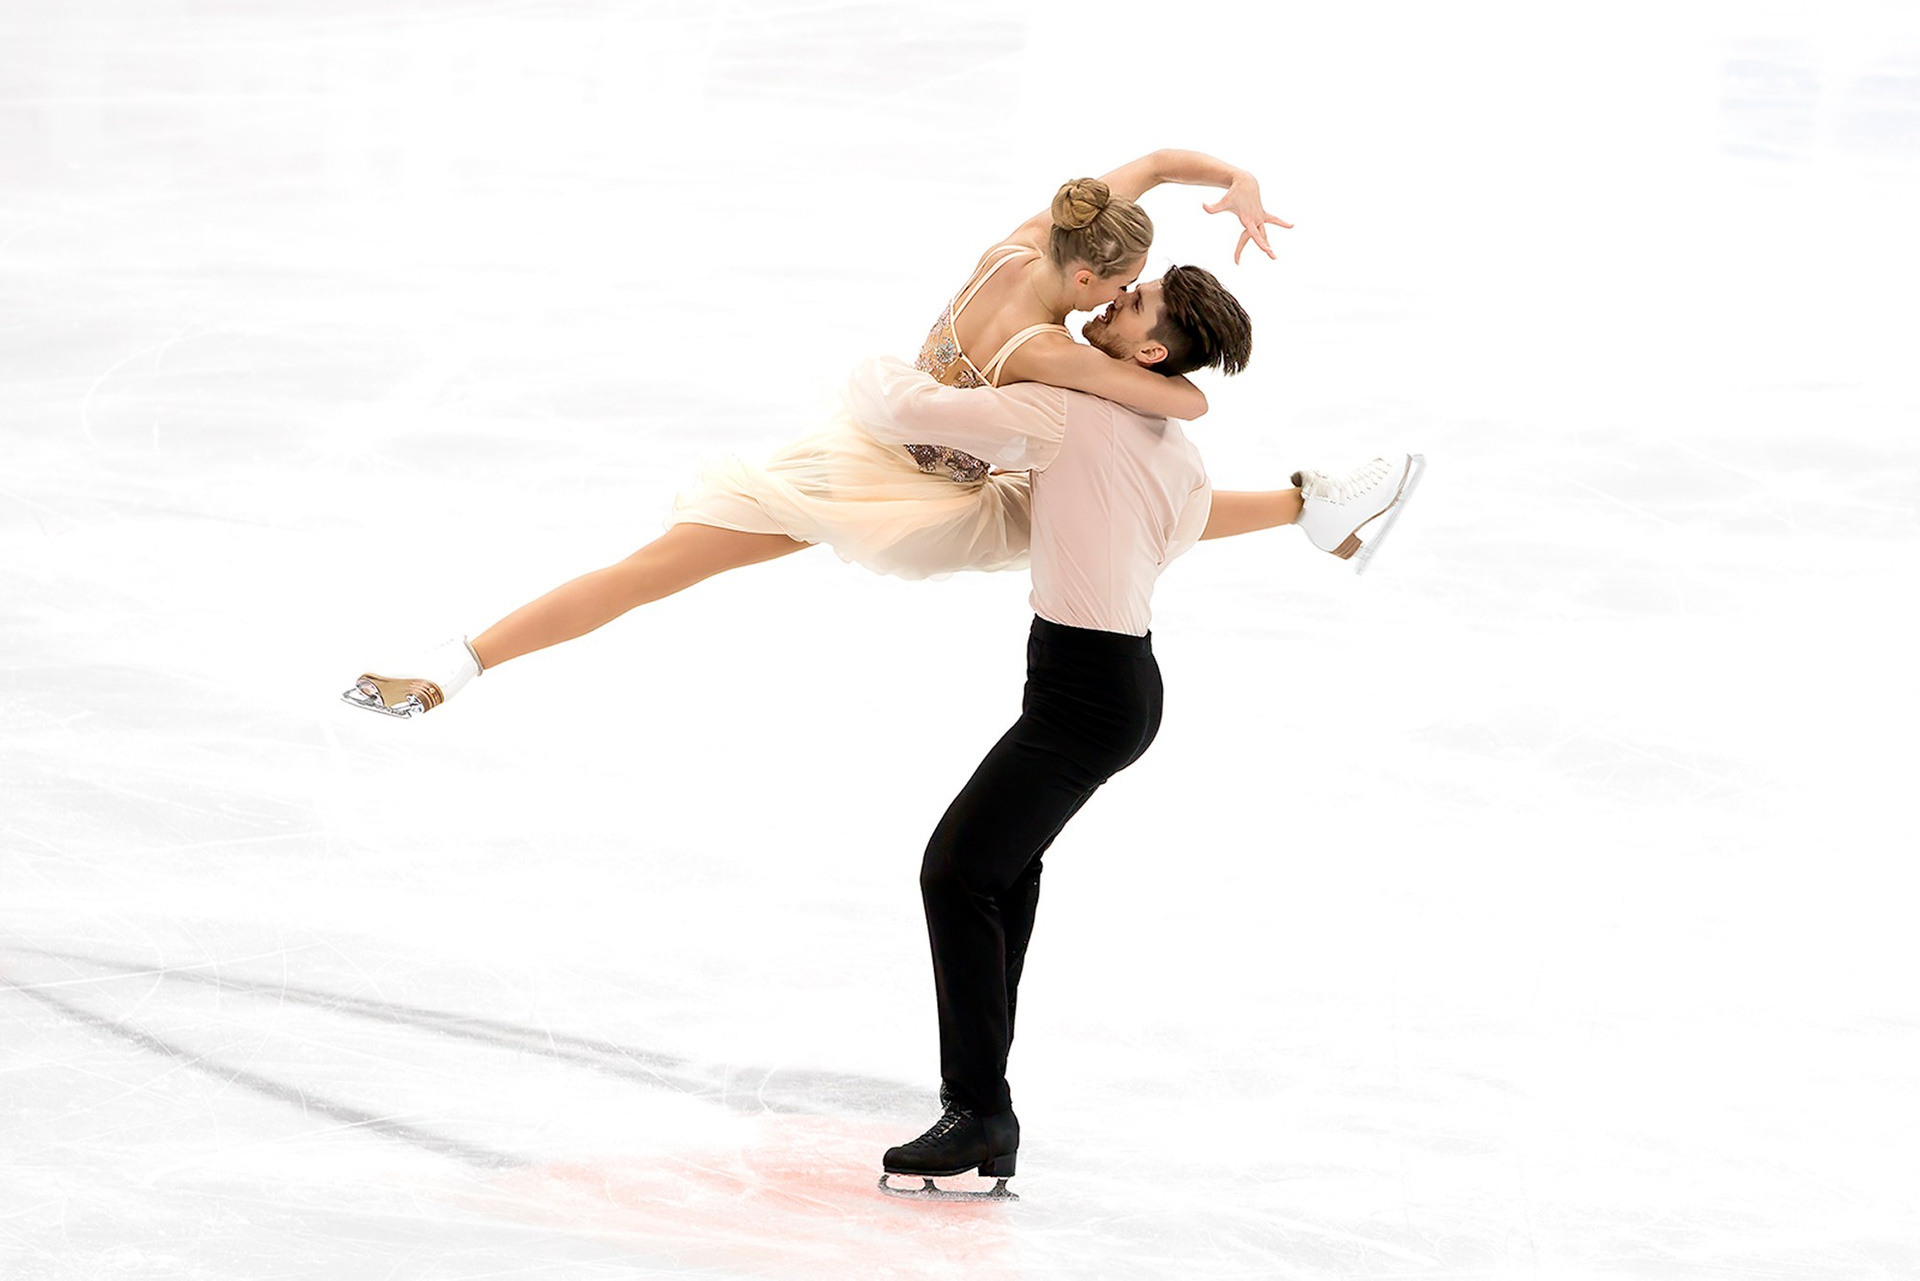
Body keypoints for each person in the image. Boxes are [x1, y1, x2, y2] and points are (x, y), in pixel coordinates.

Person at [341, 151, 1357, 719]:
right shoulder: (1054, 354)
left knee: (655, 568)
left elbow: (1157, 166)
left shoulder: (1017, 248)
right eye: (1123, 288)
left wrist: (1233, 177)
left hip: (868, 449)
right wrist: (1170, 363)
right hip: (921, 500)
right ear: (1087, 275)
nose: (1116, 301)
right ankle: (1309, 506)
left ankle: (462, 661)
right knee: (1134, 494)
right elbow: (1186, 405)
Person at [852, 268, 1420, 1199]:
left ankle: (979, 1107)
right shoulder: (1171, 445)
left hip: (1085, 694)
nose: (1113, 298)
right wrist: (1298, 511)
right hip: (1112, 686)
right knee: (998, 874)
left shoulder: (1064, 412)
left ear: (1150, 351)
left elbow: (906, 409)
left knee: (956, 873)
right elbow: (1180, 525)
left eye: (1133, 303)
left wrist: (894, 359)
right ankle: (982, 1107)